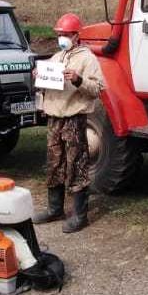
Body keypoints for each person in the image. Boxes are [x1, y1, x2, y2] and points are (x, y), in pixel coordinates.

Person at [31, 13, 105, 233]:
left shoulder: (87, 59)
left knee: (77, 164)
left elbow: (98, 88)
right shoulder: (57, 57)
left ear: (76, 35)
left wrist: (77, 79)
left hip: (74, 118)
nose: (61, 37)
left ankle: (80, 215)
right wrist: (38, 75)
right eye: (59, 34)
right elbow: (45, 82)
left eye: (65, 34)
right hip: (54, 117)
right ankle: (55, 209)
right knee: (54, 163)